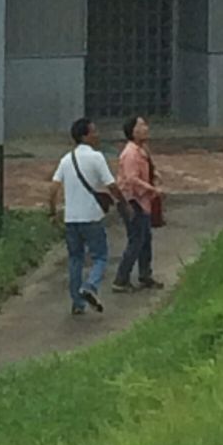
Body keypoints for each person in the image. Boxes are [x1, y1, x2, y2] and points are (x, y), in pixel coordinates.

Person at [49, 117, 129, 316]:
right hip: (91, 217)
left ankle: (77, 303)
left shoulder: (66, 159)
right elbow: (111, 185)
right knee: (100, 256)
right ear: (85, 136)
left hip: (71, 219)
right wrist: (123, 203)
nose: (97, 135)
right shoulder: (96, 157)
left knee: (75, 259)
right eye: (94, 132)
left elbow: (53, 188)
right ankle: (90, 285)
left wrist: (52, 211)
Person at [112, 115, 165, 292]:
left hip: (141, 201)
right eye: (141, 126)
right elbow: (132, 179)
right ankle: (121, 280)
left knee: (145, 239)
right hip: (132, 201)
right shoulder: (131, 153)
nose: (146, 128)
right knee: (136, 240)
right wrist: (152, 189)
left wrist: (154, 174)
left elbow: (147, 169)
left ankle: (145, 275)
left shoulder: (142, 150)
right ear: (133, 131)